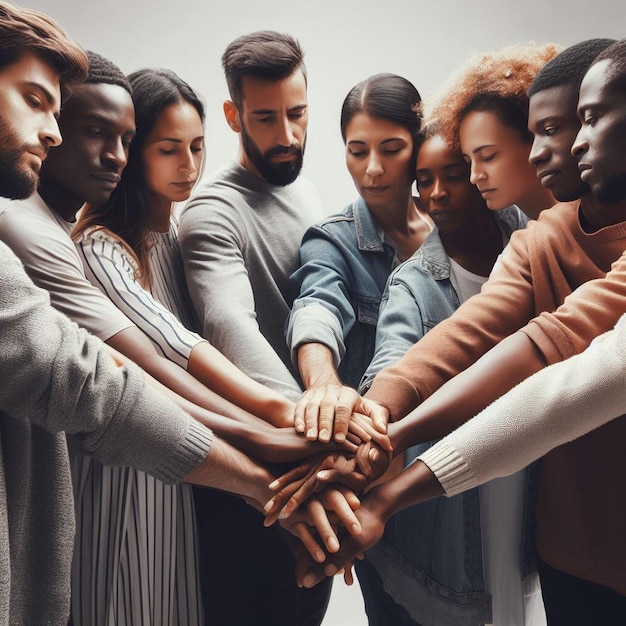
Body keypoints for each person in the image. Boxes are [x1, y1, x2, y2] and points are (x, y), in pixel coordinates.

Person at [283, 38, 626, 625]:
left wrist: (391, 459)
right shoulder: (535, 239)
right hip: (573, 548)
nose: (561, 147)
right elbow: (467, 334)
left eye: (577, 123)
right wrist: (374, 421)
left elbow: (558, 354)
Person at [0, 4, 276, 623]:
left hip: (163, 469)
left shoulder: (164, 237)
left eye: (127, 139)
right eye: (36, 102)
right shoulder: (42, 232)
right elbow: (116, 371)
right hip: (125, 481)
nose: (50, 132)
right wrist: (273, 438)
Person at [177, 31, 331, 625]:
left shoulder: (305, 188)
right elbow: (229, 326)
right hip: (255, 494)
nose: (288, 136)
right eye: (265, 118)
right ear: (232, 115)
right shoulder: (212, 211)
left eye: (297, 113)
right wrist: (321, 438)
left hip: (308, 466)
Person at [354, 124, 529, 625]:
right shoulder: (411, 283)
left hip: (530, 469)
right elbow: (394, 360)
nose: (436, 193)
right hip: (450, 496)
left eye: (452, 175)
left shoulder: (533, 240)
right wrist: (373, 423)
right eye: (424, 181)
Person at [286, 73, 431, 449]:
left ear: (419, 145)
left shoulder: (458, 228)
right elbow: (317, 308)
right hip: (380, 449)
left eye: (391, 148)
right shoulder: (331, 240)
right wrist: (324, 386)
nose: (373, 168)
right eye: (358, 150)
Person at [430, 43, 559, 220]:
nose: (475, 177)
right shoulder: (524, 235)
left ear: (534, 140)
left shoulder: (593, 221)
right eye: (468, 162)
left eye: (488, 156)